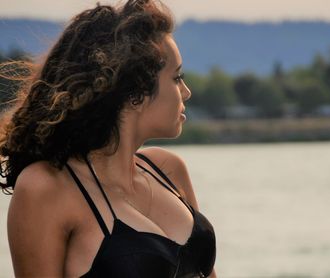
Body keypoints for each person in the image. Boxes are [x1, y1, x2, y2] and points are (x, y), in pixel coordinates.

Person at [0, 0, 217, 277]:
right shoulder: (46, 188)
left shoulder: (168, 170)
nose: (186, 92)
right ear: (135, 92)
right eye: (176, 78)